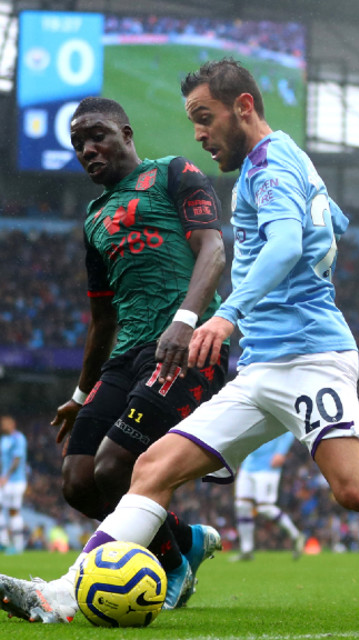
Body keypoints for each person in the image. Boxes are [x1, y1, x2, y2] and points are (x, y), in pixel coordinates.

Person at [0, 58, 359, 623]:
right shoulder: (287, 163)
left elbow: (282, 247)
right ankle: (62, 595)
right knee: (152, 467)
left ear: (244, 106)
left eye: (205, 118)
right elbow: (330, 221)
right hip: (261, 368)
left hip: (309, 357)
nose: (200, 134)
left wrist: (224, 316)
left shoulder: (269, 164)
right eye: (193, 122)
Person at [45, 96, 228, 609]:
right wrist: (81, 393)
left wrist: (184, 322)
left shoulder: (174, 172)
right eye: (78, 143)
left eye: (97, 135)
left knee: (112, 468)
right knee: (79, 482)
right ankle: (185, 543)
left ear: (126, 133)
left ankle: (173, 567)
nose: (88, 148)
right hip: (126, 355)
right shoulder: (94, 217)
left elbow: (213, 249)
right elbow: (102, 317)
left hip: (187, 346)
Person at [232, 432, 306, 561]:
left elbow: (288, 431)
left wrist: (281, 452)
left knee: (264, 507)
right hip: (248, 465)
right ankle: (246, 550)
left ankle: (296, 535)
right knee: (242, 505)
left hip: (268, 465)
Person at [0, 413, 27, 553]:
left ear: (12, 424)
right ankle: (3, 542)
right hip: (3, 479)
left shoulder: (18, 438)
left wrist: (6, 475)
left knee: (13, 511)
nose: (2, 426)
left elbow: (17, 459)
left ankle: (18, 547)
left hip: (15, 481)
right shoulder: (3, 439)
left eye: (5, 423)